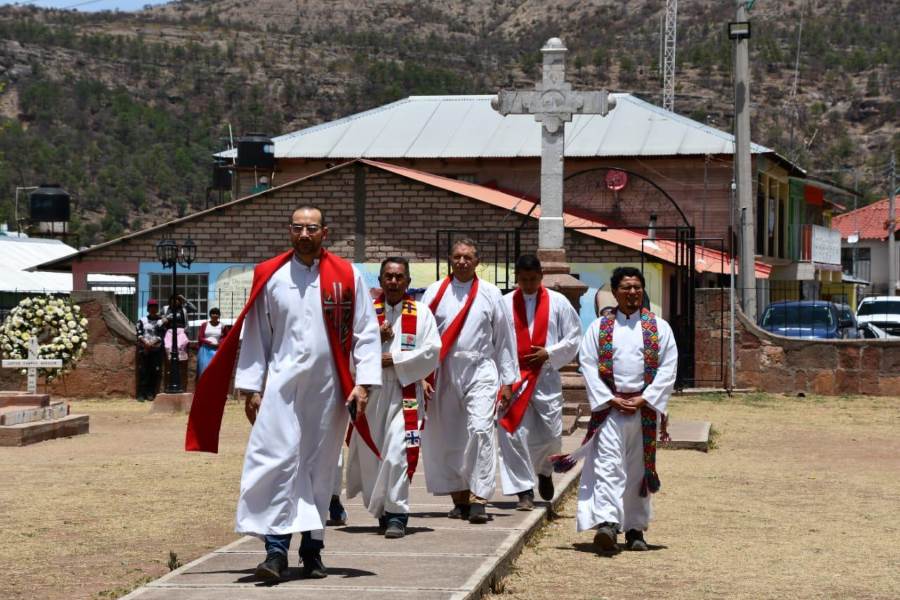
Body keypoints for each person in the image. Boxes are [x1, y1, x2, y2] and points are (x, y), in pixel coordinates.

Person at [184, 205, 381, 581]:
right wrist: (252, 388)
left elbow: (365, 332)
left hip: (328, 390)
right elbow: (257, 335)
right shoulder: (270, 275)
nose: (304, 234)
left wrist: (363, 383)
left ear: (325, 232)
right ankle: (275, 551)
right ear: (289, 232)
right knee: (275, 462)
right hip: (280, 386)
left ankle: (312, 549)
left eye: (311, 228)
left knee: (319, 467)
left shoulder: (347, 276)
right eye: (297, 228)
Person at [561, 266, 677, 553]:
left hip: (643, 410)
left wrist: (646, 398)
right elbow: (587, 364)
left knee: (638, 471)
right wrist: (609, 398)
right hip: (610, 410)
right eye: (626, 288)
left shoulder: (658, 327)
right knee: (608, 466)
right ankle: (608, 524)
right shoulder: (599, 328)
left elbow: (668, 367)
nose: (632, 293)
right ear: (614, 292)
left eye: (637, 287)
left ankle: (635, 529)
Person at [420, 239, 518, 524]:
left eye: (468, 257)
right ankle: (459, 496)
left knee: (480, 429)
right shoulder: (435, 292)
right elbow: (422, 335)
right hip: (444, 370)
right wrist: (422, 375)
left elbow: (504, 339)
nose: (462, 261)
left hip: (481, 369)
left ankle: (479, 497)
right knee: (449, 435)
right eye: (457, 257)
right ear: (450, 259)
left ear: (478, 261)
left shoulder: (490, 294)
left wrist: (508, 381)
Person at [346, 257, 441, 538]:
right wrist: (375, 337)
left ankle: (398, 513)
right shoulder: (365, 313)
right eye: (388, 276)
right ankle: (383, 511)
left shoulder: (422, 313)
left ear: (408, 282)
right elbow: (348, 350)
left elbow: (432, 351)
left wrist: (395, 360)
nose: (394, 282)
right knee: (374, 453)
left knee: (397, 453)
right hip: (372, 391)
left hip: (405, 391)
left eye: (399, 277)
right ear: (380, 281)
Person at [497, 254, 581, 510]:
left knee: (552, 434)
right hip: (514, 377)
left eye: (533, 279)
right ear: (517, 279)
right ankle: (523, 490)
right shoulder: (504, 303)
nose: (529, 284)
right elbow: (496, 339)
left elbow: (574, 336)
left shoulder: (558, 302)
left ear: (541, 277)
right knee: (512, 432)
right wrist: (503, 380)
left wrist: (550, 353)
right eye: (524, 280)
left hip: (545, 375)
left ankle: (544, 470)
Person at [135, 298, 165, 401]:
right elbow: (139, 333)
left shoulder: (161, 321)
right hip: (144, 350)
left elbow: (161, 335)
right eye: (151, 307)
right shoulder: (142, 320)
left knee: (154, 372)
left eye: (155, 307)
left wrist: (152, 343)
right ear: (148, 308)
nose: (153, 309)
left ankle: (150, 393)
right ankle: (140, 394)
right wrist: (146, 343)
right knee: (143, 371)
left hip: (156, 350)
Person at [196, 307, 223, 379]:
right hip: (205, 349)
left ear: (219, 315)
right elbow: (200, 337)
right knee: (204, 369)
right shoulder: (204, 325)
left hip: (216, 350)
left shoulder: (222, 326)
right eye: (213, 313)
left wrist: (220, 343)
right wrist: (209, 342)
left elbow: (226, 336)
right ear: (210, 315)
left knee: (215, 370)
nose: (215, 315)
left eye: (217, 314)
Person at [162, 325, 190, 390]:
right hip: (177, 352)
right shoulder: (170, 332)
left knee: (174, 371)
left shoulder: (181, 332)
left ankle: (174, 387)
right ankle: (179, 387)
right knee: (176, 371)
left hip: (175, 352)